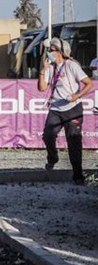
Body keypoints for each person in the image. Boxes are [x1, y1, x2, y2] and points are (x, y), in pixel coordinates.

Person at [38, 37, 92, 184]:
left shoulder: (72, 66)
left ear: (60, 52)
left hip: (73, 108)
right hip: (56, 107)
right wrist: (43, 71)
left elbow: (89, 84)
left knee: (74, 140)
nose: (48, 53)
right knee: (48, 135)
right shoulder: (50, 67)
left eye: (51, 50)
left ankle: (78, 175)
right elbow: (42, 88)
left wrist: (77, 95)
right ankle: (53, 157)